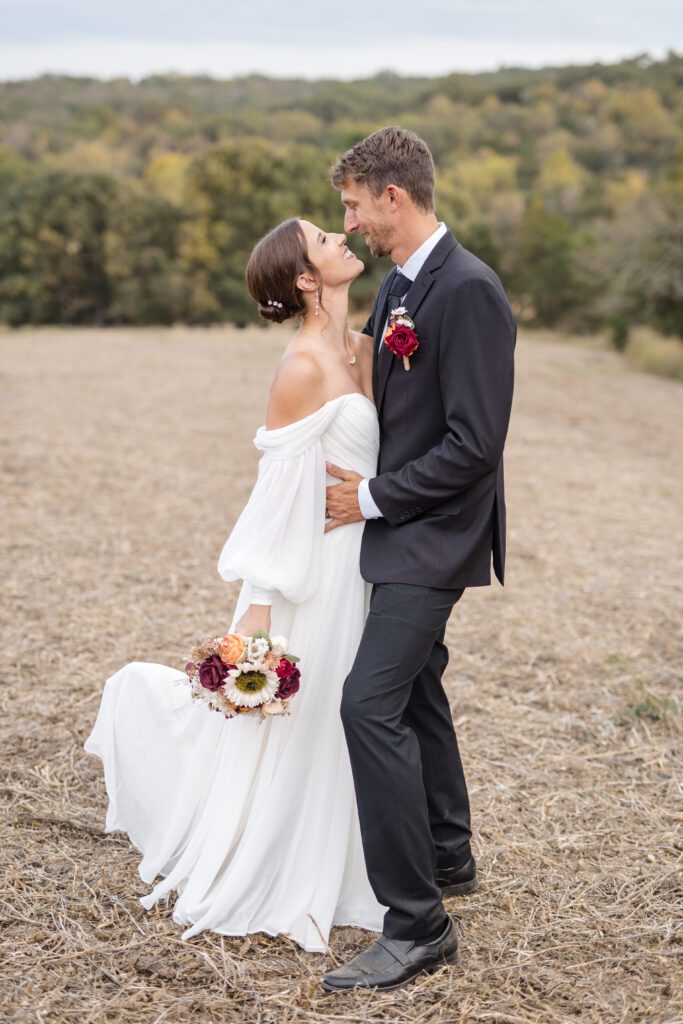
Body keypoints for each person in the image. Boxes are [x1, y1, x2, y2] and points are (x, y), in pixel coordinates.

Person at [84, 216, 390, 953]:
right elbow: (275, 501)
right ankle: (284, 862)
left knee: (348, 715)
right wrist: (253, 629)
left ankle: (354, 860)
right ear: (307, 280)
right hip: (309, 581)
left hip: (363, 564)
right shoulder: (302, 369)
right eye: (324, 240)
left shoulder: (365, 349)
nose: (342, 238)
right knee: (306, 715)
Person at [319, 126, 516, 993]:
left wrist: (367, 498)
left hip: (434, 533)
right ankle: (448, 855)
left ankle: (417, 923)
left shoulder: (467, 290)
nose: (352, 221)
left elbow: (475, 444)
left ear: (394, 197)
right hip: (403, 529)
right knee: (416, 686)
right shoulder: (401, 284)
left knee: (367, 705)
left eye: (355, 205)